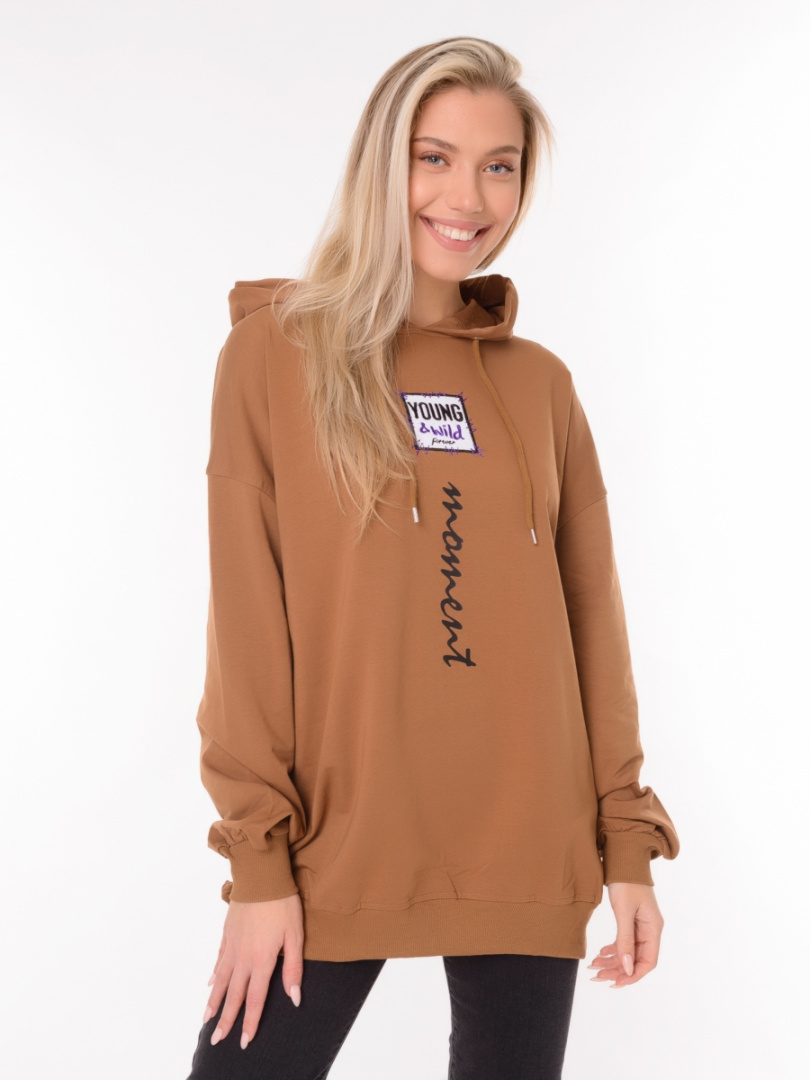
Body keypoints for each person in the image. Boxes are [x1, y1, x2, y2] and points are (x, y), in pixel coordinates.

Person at [185, 36, 680, 1080]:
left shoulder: (540, 385)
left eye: (500, 165)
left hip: (529, 843)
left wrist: (627, 844)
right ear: (382, 165)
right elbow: (247, 624)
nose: (469, 196)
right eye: (435, 157)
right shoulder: (274, 354)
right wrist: (259, 863)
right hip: (335, 848)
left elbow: (593, 626)